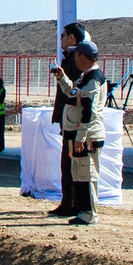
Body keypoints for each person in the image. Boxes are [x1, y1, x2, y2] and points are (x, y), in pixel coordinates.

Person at [54, 40, 106, 224]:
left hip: (86, 136)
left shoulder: (93, 80)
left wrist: (81, 137)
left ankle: (89, 213)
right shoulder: (85, 77)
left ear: (84, 57)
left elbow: (89, 111)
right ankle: (82, 209)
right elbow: (74, 94)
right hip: (78, 134)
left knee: (87, 173)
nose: (74, 58)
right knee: (79, 173)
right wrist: (62, 78)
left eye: (76, 55)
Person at [47, 25, 90, 216]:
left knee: (71, 162)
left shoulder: (76, 61)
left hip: (73, 119)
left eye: (63, 35)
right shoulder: (70, 59)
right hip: (68, 118)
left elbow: (73, 91)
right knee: (68, 161)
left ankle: (71, 204)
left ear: (72, 38)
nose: (61, 39)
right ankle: (69, 201)